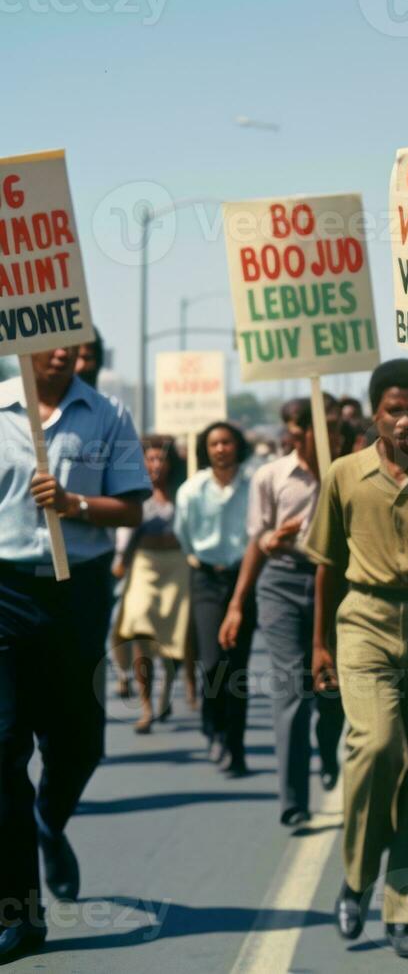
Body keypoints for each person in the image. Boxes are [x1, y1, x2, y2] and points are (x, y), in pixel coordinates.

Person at [0, 345, 149, 963]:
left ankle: (49, 822)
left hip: (76, 593)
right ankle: (19, 914)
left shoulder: (107, 413)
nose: (59, 350)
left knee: (79, 741)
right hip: (5, 590)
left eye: (73, 337)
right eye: (49, 337)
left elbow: (133, 506)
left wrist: (73, 504)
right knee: (4, 744)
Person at [306, 361, 408, 960]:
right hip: (363, 621)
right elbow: (324, 564)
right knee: (376, 746)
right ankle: (356, 878)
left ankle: (405, 911)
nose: (406, 419)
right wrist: (319, 644)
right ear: (375, 413)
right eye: (395, 407)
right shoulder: (345, 474)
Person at [221, 399, 344, 824]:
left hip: (339, 585)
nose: (335, 436)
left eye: (339, 428)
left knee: (332, 687)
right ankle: (293, 801)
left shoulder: (347, 473)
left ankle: (329, 752)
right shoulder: (271, 477)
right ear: (302, 432)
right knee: (292, 689)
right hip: (283, 583)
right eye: (324, 428)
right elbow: (259, 542)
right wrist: (238, 603)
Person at [175, 422, 259, 778]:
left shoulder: (254, 485)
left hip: (243, 579)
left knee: (236, 668)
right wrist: (201, 560)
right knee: (212, 663)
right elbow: (184, 534)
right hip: (207, 578)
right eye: (214, 444)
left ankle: (235, 748)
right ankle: (213, 727)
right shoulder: (192, 490)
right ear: (205, 450)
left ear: (237, 446)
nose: (221, 449)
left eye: (227, 442)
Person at [114, 436, 190, 734]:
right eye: (151, 459)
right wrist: (121, 560)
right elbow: (125, 531)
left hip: (177, 566)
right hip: (144, 565)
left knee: (173, 638)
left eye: (162, 459)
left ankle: (166, 693)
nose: (156, 465)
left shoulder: (182, 494)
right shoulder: (136, 493)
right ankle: (145, 707)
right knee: (140, 632)